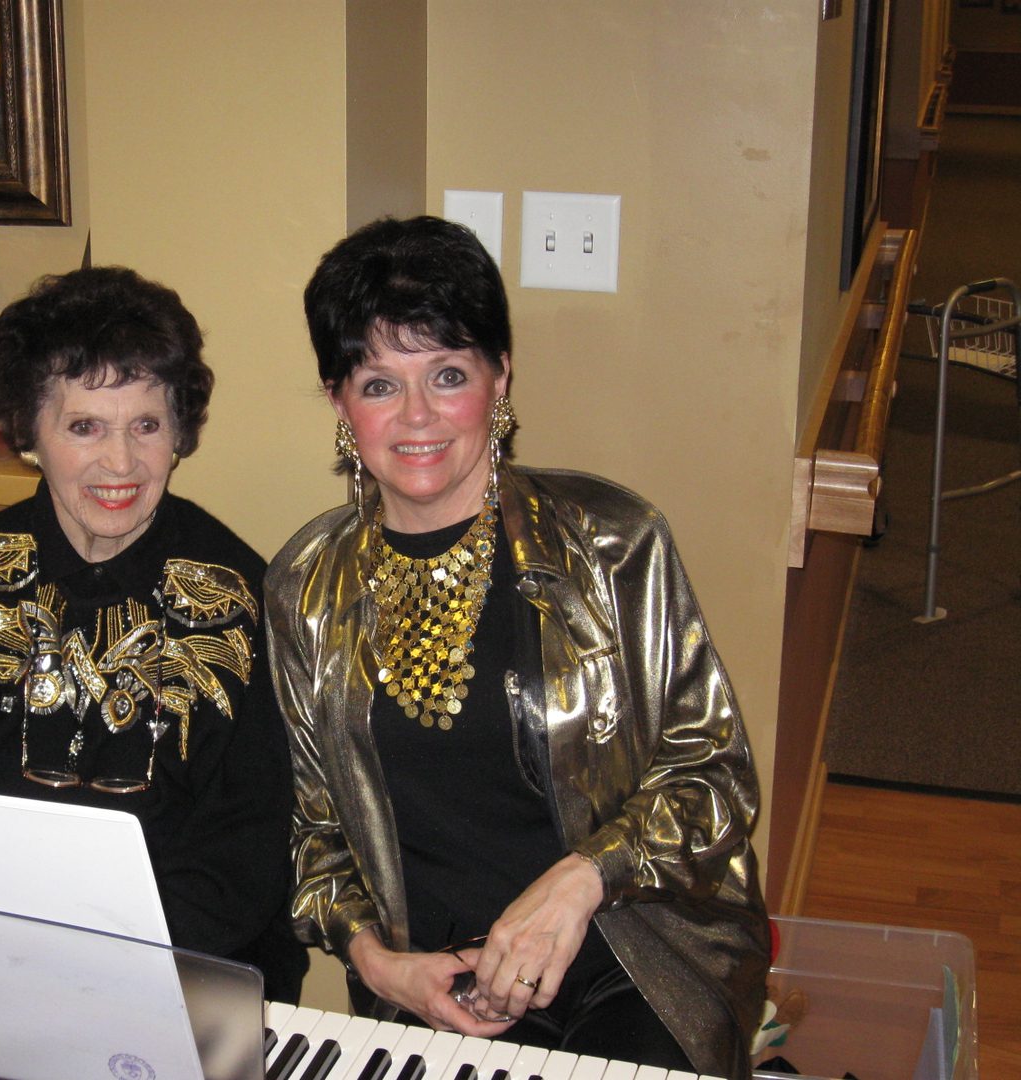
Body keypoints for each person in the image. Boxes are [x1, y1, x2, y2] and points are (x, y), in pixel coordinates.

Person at [264, 216, 769, 1076]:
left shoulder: (613, 545)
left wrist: (582, 879)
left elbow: (712, 775)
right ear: (339, 403)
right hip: (439, 985)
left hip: (630, 953)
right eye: (379, 385)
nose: (417, 417)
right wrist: (378, 963)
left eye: (447, 375)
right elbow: (313, 831)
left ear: (500, 378)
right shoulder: (303, 588)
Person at [0, 266, 306, 1002]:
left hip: (194, 967)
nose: (121, 463)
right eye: (84, 427)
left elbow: (246, 847)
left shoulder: (237, 599)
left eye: (146, 425)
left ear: (179, 433)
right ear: (29, 434)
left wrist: (108, 970)